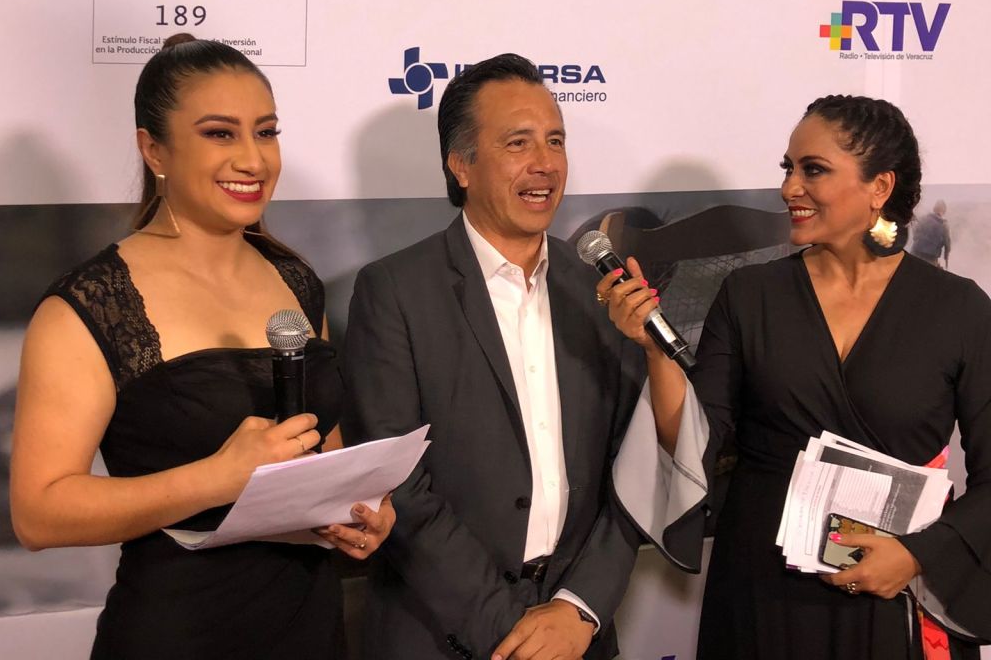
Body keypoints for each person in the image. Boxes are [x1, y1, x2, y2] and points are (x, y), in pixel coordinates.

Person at [9, 34, 395, 660]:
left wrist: (360, 509)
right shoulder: (92, 304)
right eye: (220, 134)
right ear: (153, 149)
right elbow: (39, 513)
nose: (253, 159)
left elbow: (322, 450)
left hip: (310, 627)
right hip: (177, 632)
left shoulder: (296, 280)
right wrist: (217, 478)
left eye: (266, 133)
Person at [599, 95, 991, 658]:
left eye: (814, 170)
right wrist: (655, 352)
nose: (789, 188)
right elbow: (692, 444)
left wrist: (916, 557)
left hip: (892, 593)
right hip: (761, 592)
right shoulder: (750, 295)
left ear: (880, 186)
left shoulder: (959, 308)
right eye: (788, 168)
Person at [342, 54, 643, 660]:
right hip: (444, 633)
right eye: (517, 142)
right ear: (460, 164)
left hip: (576, 634)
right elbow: (399, 483)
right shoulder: (395, 290)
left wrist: (579, 609)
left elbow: (633, 468)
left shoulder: (597, 290)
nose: (545, 164)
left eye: (555, 140)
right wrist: (510, 631)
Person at [911, 199, 951, 268]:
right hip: (931, 258)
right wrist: (946, 258)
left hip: (915, 252)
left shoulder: (924, 218)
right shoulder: (944, 225)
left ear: (934, 208)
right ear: (943, 211)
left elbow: (915, 233)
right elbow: (947, 244)